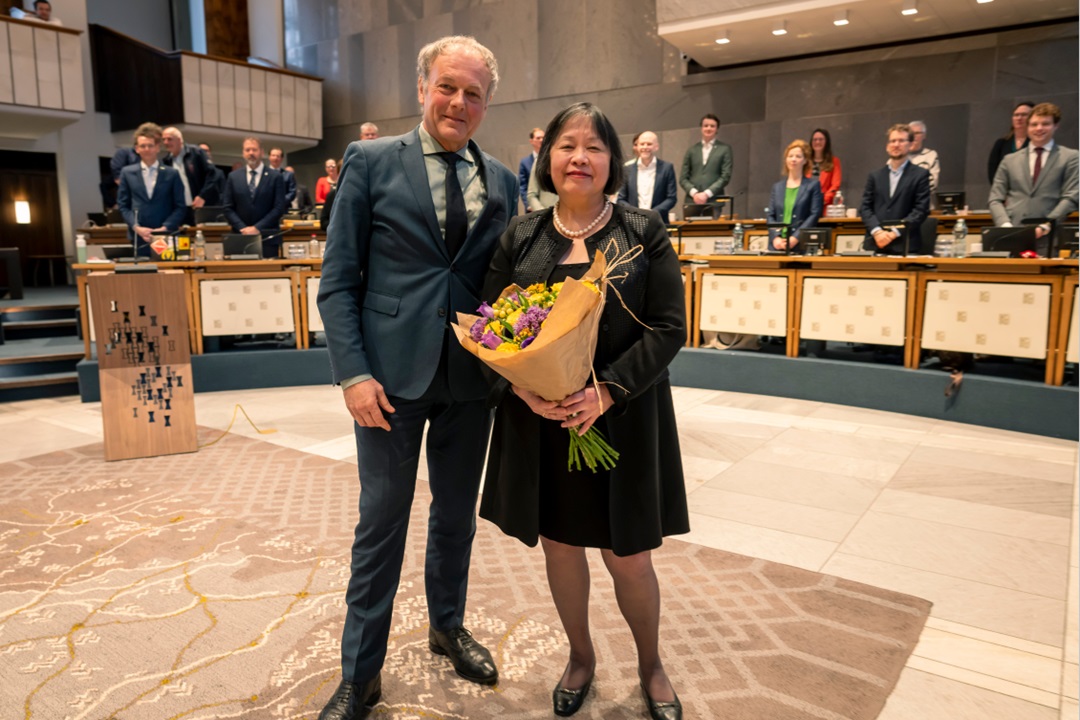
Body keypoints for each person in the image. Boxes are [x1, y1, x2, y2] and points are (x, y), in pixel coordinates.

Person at [315, 35, 517, 720]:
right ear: (423, 87)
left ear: (487, 105)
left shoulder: (504, 181)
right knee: (381, 523)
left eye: (474, 94)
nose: (458, 102)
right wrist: (353, 374)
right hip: (388, 383)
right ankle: (360, 672)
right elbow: (338, 281)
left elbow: (502, 286)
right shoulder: (370, 161)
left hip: (470, 384)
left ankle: (447, 625)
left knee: (455, 517)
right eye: (448, 87)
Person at [480, 102, 688, 720]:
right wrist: (523, 388)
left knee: (629, 556)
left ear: (612, 161)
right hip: (542, 422)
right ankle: (580, 657)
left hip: (621, 419)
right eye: (567, 146)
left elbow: (670, 327)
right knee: (561, 546)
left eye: (594, 147)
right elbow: (491, 330)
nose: (580, 157)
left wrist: (606, 391)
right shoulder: (522, 235)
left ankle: (651, 664)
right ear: (548, 159)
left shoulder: (643, 230)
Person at [989, 102, 1079, 241]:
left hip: (1050, 236)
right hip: (1012, 234)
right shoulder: (1009, 160)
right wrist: (1005, 226)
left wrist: (1048, 224)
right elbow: (995, 199)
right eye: (1034, 124)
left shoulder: (1070, 157)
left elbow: (1071, 197)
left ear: (1056, 126)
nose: (1039, 128)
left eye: (1045, 124)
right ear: (1027, 127)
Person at [859, 123, 931, 255]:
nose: (896, 144)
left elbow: (920, 210)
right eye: (893, 141)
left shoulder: (920, 175)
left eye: (901, 140)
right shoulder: (875, 176)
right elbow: (865, 208)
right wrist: (878, 232)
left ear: (910, 145)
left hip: (905, 245)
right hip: (876, 244)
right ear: (887, 146)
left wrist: (893, 233)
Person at [116, 122, 185, 256]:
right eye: (143, 146)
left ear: (158, 148)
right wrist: (137, 227)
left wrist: (164, 228)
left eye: (150, 145)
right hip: (139, 236)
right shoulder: (127, 173)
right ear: (137, 148)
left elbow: (180, 206)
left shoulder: (172, 174)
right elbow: (123, 205)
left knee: (169, 274)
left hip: (166, 235)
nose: (147, 149)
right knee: (141, 275)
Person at [222, 136, 287, 257]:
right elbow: (227, 207)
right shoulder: (233, 177)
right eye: (247, 150)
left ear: (261, 152)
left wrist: (257, 228)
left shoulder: (275, 177)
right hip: (240, 237)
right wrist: (243, 228)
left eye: (254, 150)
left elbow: (279, 208)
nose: (251, 153)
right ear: (243, 153)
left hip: (267, 237)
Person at [766, 139, 824, 253]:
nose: (793, 159)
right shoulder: (777, 187)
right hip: (777, 246)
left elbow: (814, 214)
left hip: (800, 245)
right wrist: (776, 237)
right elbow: (770, 215)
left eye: (798, 156)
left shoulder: (813, 185)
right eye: (790, 156)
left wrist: (796, 237)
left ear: (805, 160)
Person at [617, 130, 677, 219]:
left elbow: (671, 198)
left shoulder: (667, 168)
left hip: (658, 221)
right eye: (642, 144)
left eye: (649, 144)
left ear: (656, 147)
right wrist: (635, 213)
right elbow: (621, 199)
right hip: (633, 222)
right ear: (637, 147)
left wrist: (652, 213)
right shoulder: (627, 170)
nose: (645, 147)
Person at [162, 127, 213, 225]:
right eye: (163, 139)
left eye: (169, 139)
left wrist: (202, 196)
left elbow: (212, 176)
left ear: (179, 140)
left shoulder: (196, 153)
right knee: (181, 239)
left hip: (198, 207)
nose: (165, 142)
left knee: (199, 237)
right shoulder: (166, 162)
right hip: (178, 209)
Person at [679, 113, 732, 205]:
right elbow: (683, 178)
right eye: (706, 126)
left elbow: (725, 177)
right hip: (692, 201)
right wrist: (694, 193)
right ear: (701, 128)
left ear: (717, 129)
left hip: (714, 200)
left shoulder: (725, 149)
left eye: (712, 126)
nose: (708, 128)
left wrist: (706, 194)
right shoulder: (692, 150)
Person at [987, 101, 1035, 183]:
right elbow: (993, 171)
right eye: (1016, 115)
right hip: (1003, 192)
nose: (1019, 118)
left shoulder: (1036, 143)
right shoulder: (1001, 143)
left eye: (1024, 115)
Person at [810, 128, 842, 205]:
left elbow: (835, 185)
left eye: (821, 139)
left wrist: (822, 200)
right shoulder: (805, 162)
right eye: (815, 139)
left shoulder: (834, 161)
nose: (817, 142)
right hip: (806, 206)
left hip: (824, 205)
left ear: (826, 142)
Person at [908, 120, 940, 195]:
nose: (914, 136)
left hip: (922, 204)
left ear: (924, 135)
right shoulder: (899, 156)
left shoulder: (931, 155)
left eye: (917, 133)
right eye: (911, 133)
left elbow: (932, 185)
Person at [518, 127, 544, 207]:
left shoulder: (553, 160)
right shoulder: (525, 163)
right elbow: (523, 186)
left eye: (543, 137)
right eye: (538, 138)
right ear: (531, 141)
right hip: (532, 209)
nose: (541, 140)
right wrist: (529, 204)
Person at [197, 142, 225, 207]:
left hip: (212, 209)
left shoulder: (219, 173)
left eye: (206, 151)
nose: (204, 153)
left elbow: (223, 194)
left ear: (210, 154)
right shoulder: (192, 173)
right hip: (194, 208)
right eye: (201, 151)